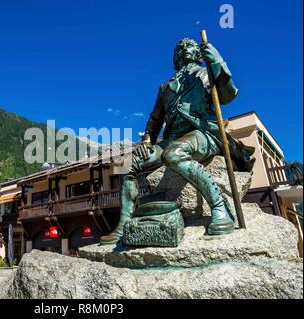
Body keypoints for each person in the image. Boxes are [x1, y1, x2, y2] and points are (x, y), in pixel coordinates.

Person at [101, 38, 255, 244]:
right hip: (173, 137)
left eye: (189, 46)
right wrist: (147, 142)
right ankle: (124, 224)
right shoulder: (165, 87)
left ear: (199, 53)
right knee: (129, 167)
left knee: (173, 154)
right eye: (179, 48)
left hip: (203, 133)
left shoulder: (206, 73)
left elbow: (227, 96)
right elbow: (155, 120)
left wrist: (218, 63)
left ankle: (220, 207)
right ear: (175, 57)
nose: (184, 49)